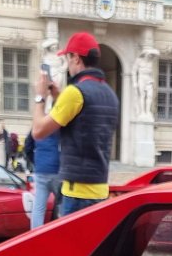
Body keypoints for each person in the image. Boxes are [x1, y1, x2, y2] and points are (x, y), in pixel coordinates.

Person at [30, 31, 120, 217]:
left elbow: (38, 131)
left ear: (77, 59)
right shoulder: (109, 94)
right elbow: (83, 121)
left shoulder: (75, 93)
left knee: (72, 246)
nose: (68, 64)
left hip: (76, 193)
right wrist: (57, 96)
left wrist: (40, 96)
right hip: (100, 190)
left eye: (68, 58)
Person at [27, 70, 62, 228]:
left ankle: (35, 237)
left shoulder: (38, 125)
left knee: (38, 208)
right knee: (61, 205)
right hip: (57, 170)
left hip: (41, 170)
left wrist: (35, 162)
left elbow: (28, 146)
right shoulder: (57, 125)